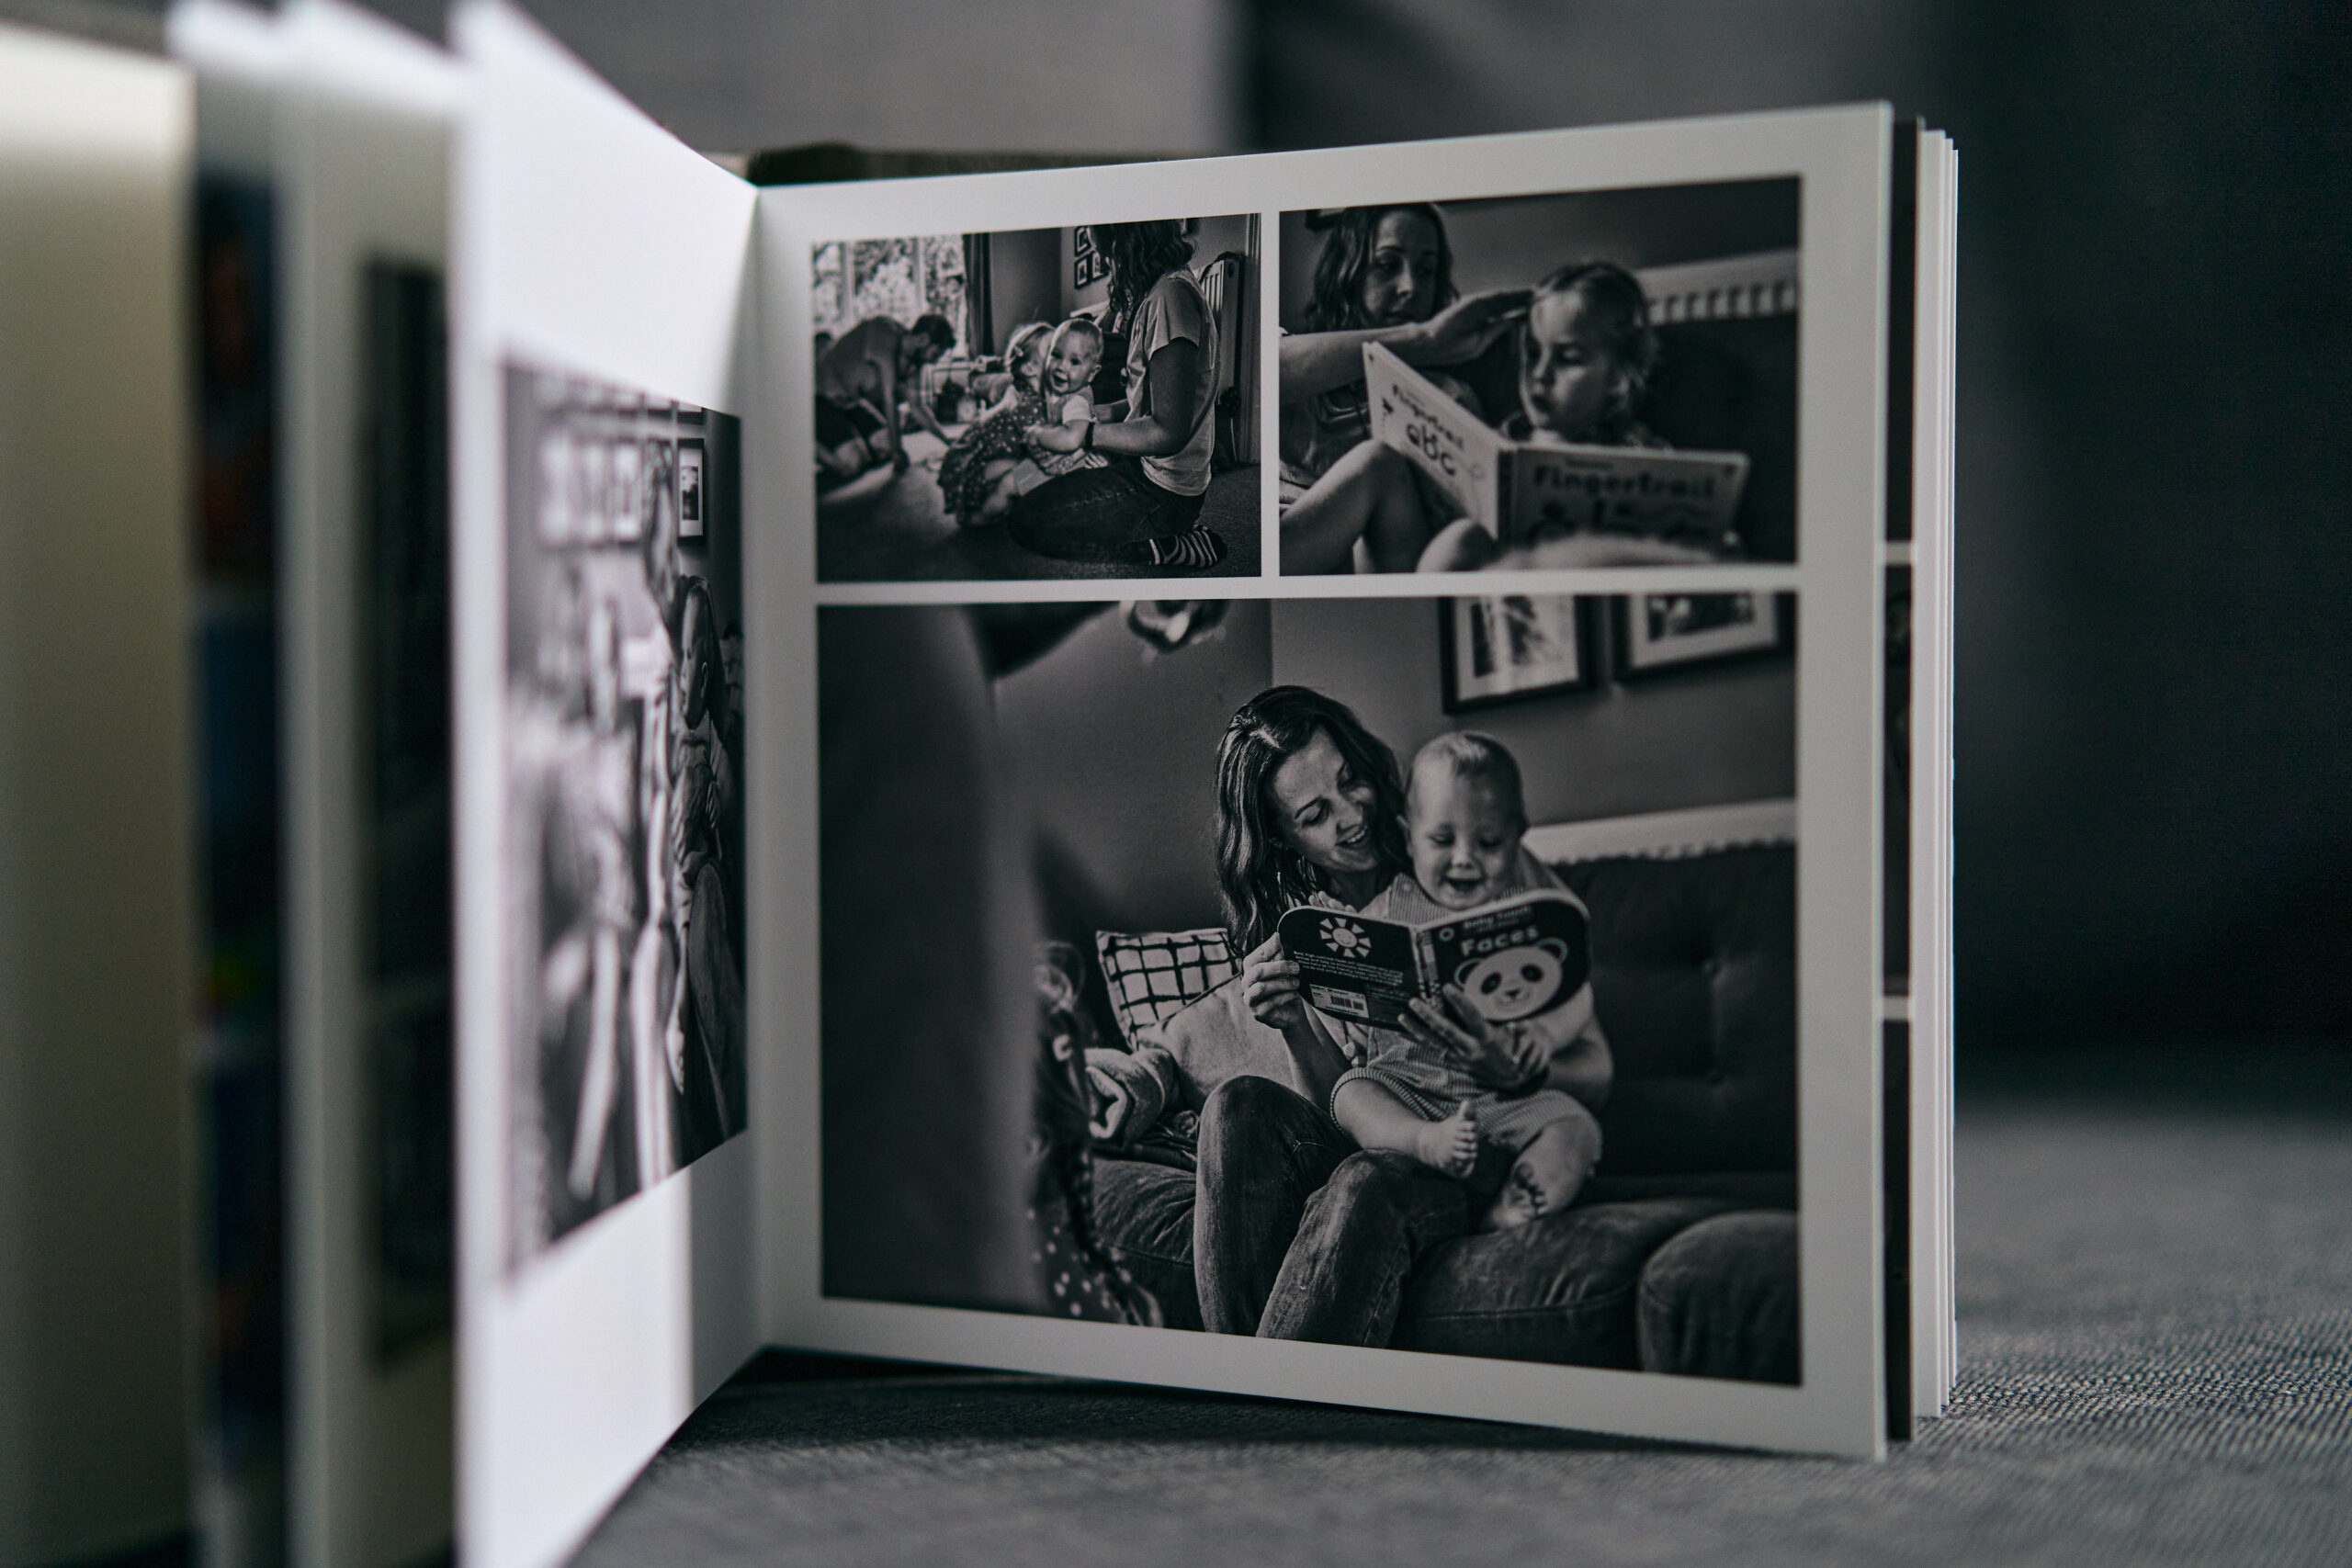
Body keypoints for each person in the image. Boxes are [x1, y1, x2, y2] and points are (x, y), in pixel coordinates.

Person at [1325, 732, 1610, 1230]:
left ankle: (1517, 1205)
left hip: (1504, 1100)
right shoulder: (1388, 908)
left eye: (1489, 843)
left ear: (1518, 837)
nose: (1463, 858)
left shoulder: (1527, 913)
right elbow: (1347, 987)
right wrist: (1336, 955)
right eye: (1441, 840)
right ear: (1408, 836)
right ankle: (1425, 1142)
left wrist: (1544, 1037)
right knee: (1352, 1092)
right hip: (1409, 1090)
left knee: (1576, 1127)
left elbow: (1575, 994)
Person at [1274, 205, 1531, 573]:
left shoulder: (1450, 397)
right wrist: (1422, 340)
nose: (1410, 287)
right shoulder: (1307, 366)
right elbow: (1264, 373)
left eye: (1426, 271)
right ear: (1348, 271)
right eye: (1387, 265)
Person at [1415, 260, 1714, 571]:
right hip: (1504, 584)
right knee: (1459, 540)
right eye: (1533, 353)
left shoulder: (1645, 455)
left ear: (1619, 377)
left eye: (1568, 358)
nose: (1540, 374)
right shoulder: (1499, 443)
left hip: (1598, 584)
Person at [1008, 221, 1227, 570]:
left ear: (1127, 246)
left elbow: (1169, 432)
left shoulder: (1170, 298)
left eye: (1107, 256)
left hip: (1163, 491)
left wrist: (1087, 435)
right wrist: (1093, 415)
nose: (1107, 267)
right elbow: (1155, 401)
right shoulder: (1165, 292)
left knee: (1027, 521)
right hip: (1147, 467)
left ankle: (1167, 546)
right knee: (1033, 483)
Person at [980, 317, 1111, 520]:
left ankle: (980, 518)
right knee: (1007, 480)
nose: (1062, 367)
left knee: (1007, 485)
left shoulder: (1076, 401)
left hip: (1067, 468)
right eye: (1056, 355)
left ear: (1092, 373)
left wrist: (1038, 435)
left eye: (1074, 362)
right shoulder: (1061, 389)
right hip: (1060, 462)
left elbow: (1072, 439)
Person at [813, 312, 956, 485]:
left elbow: (918, 407)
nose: (934, 362)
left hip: (850, 402)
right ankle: (808, 441)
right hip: (820, 398)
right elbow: (890, 400)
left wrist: (946, 440)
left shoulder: (914, 363)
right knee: (852, 464)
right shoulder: (883, 332)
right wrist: (898, 451)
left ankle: (853, 443)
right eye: (936, 354)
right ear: (923, 340)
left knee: (886, 446)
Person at [936, 320, 1050, 526]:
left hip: (977, 454)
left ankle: (986, 499)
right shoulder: (1028, 403)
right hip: (969, 463)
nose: (1062, 361)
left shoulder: (1024, 391)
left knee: (1021, 467)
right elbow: (1044, 447)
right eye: (1054, 353)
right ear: (1029, 368)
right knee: (1030, 468)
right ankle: (977, 514)